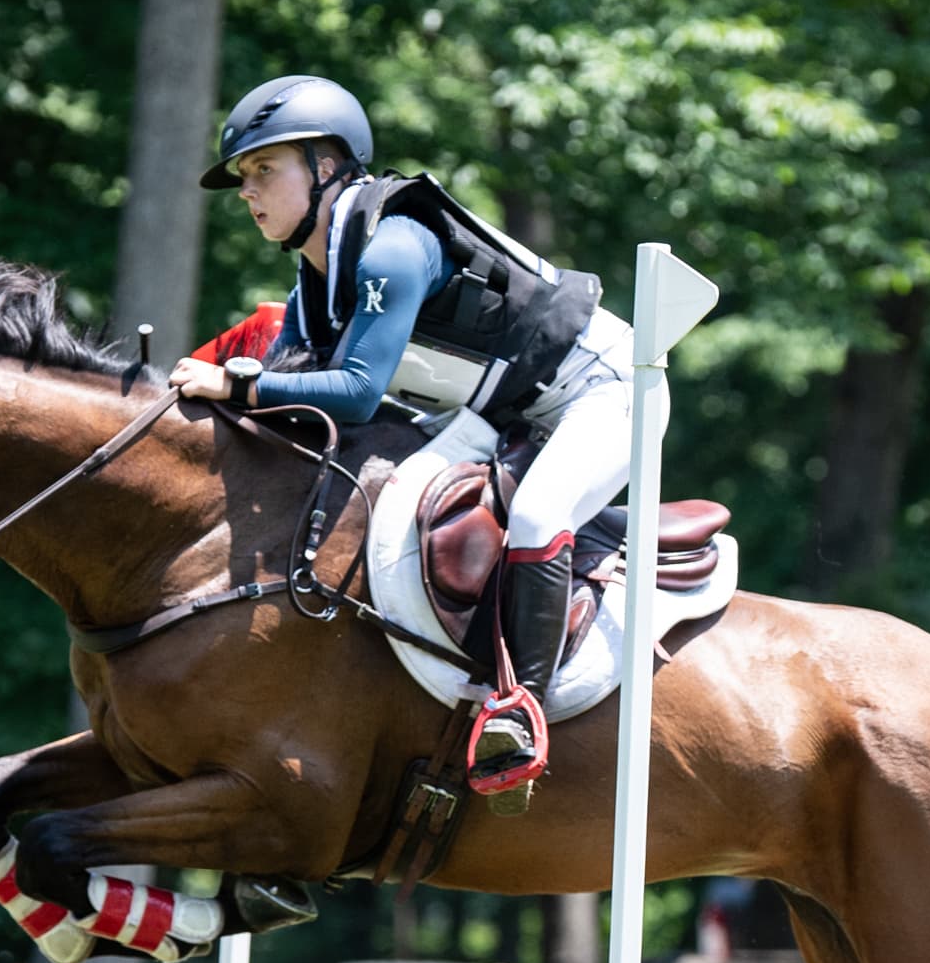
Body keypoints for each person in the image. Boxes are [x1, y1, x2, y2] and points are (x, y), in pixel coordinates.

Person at [169, 74, 654, 800]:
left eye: (264, 168)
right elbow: (298, 395)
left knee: (535, 515)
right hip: (503, 417)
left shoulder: (392, 247)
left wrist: (236, 386)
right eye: (243, 176)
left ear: (327, 165)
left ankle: (518, 709)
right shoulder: (316, 279)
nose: (248, 191)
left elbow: (357, 392)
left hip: (603, 391)